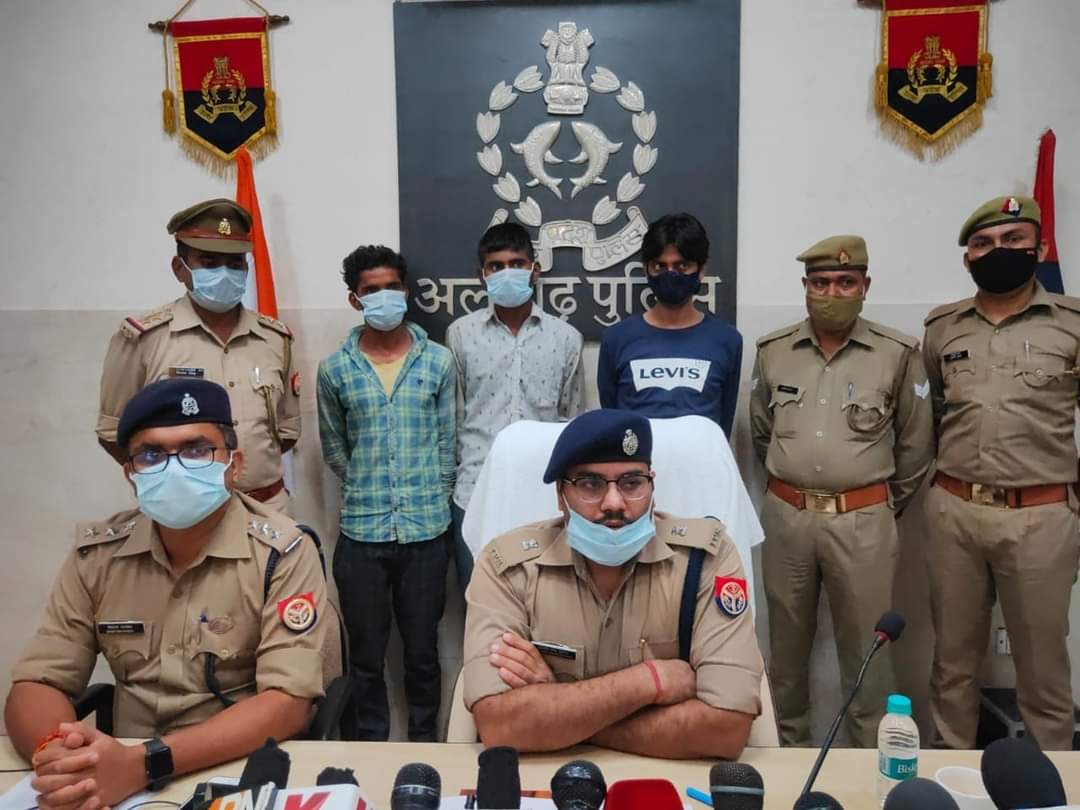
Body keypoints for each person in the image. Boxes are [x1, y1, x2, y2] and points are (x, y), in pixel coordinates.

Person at [5, 379, 327, 808]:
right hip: (117, 778)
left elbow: (289, 702)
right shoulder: (97, 557)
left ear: (233, 465)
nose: (174, 467)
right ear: (131, 474)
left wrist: (143, 764)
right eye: (152, 455)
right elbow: (38, 682)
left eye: (196, 449)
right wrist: (64, 759)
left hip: (236, 771)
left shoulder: (281, 552)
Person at [462, 409, 762, 759]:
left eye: (632, 483)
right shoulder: (507, 567)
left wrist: (561, 713)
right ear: (561, 495)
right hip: (548, 777)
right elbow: (500, 725)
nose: (615, 503)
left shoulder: (706, 558)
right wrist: (650, 680)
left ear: (652, 487)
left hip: (672, 781)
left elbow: (727, 728)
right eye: (590, 484)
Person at [749, 235, 933, 747]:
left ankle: (869, 761)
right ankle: (787, 754)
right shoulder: (774, 351)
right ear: (805, 287)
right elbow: (762, 432)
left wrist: (874, 505)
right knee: (786, 651)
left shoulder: (896, 354)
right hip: (787, 517)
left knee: (868, 652)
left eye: (845, 282)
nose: (832, 292)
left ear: (865, 286)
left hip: (863, 521)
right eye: (821, 282)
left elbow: (917, 446)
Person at [923, 196, 1080, 751]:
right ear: (967, 258)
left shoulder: (1072, 325)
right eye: (983, 244)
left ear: (1039, 247)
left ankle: (1052, 779)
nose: (998, 252)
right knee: (952, 662)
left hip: (1040, 514)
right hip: (955, 511)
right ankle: (948, 772)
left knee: (1042, 668)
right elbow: (934, 411)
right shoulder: (943, 327)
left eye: (1013, 240)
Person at [317, 245, 456, 742]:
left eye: (391, 287)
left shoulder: (438, 361)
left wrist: (432, 496)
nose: (383, 297)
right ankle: (368, 751)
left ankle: (425, 747)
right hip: (362, 533)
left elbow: (447, 442)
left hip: (426, 533)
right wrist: (369, 485)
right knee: (365, 658)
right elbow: (335, 448)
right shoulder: (335, 370)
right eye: (371, 290)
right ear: (355, 300)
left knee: (422, 655)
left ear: (406, 291)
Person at [97, 199, 300, 514]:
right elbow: (113, 434)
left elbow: (285, 433)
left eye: (235, 263)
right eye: (209, 262)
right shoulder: (144, 339)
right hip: (183, 513)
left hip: (268, 509)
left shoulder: (274, 339)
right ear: (180, 269)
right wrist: (171, 482)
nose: (224, 273)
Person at [446, 222, 584, 586]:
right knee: (480, 600)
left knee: (547, 601)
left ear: (535, 270)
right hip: (475, 491)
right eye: (496, 266)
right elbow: (454, 418)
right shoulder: (460, 335)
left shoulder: (566, 338)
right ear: (481, 275)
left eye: (517, 264)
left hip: (543, 494)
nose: (507, 272)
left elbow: (571, 419)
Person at [597, 213, 742, 437]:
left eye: (682, 265)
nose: (671, 274)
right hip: (637, 459)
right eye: (660, 266)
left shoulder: (727, 340)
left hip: (700, 458)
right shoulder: (616, 339)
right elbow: (611, 416)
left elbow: (723, 423)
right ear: (646, 270)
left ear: (701, 270)